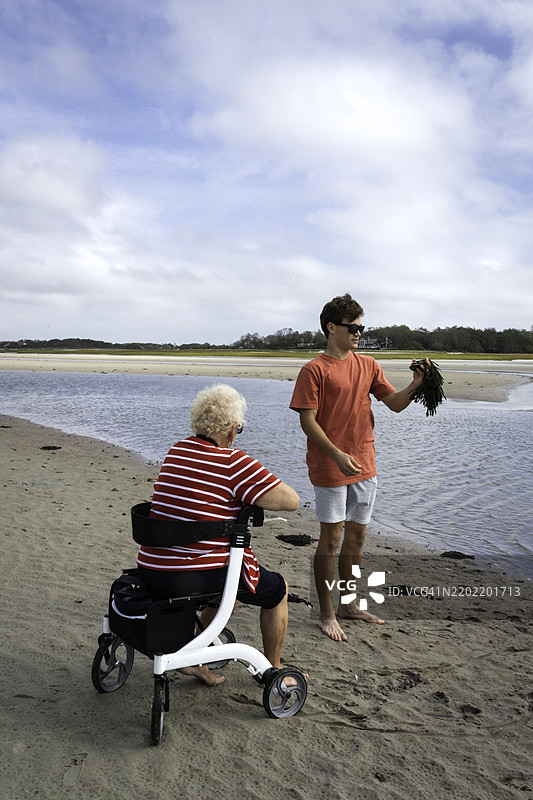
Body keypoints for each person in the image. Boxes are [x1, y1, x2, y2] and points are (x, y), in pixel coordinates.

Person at [137, 383, 300, 685]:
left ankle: (194, 657)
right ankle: (275, 670)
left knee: (229, 588)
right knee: (278, 591)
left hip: (153, 568)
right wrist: (249, 496)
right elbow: (291, 500)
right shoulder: (233, 463)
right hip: (197, 573)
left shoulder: (176, 451)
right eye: (240, 428)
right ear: (232, 429)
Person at [289, 293, 427, 642]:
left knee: (357, 537)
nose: (358, 333)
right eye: (352, 327)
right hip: (329, 464)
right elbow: (308, 422)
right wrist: (336, 454)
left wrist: (415, 385)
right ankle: (326, 613)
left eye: (361, 328)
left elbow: (394, 404)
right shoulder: (313, 370)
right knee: (331, 539)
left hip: (366, 462)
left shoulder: (368, 365)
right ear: (331, 327)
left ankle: (348, 604)